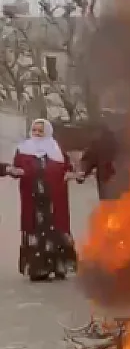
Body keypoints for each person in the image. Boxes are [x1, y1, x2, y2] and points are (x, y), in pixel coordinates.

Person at [8, 119, 79, 282]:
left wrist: (70, 173)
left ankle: (59, 266)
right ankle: (38, 268)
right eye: (35, 131)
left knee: (56, 229)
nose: (37, 134)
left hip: (55, 197)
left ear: (47, 132)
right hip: (33, 198)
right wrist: (14, 171)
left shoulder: (57, 150)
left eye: (41, 131)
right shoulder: (23, 150)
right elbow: (15, 167)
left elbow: (68, 167)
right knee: (36, 230)